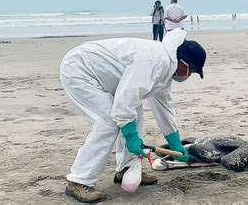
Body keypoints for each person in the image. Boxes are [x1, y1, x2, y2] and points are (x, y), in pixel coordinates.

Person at [60, 28, 206, 203]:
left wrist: (176, 146)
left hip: (103, 77)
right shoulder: (155, 61)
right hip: (81, 70)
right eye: (191, 72)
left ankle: (127, 169)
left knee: (134, 112)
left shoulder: (166, 68)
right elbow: (125, 100)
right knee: (110, 122)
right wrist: (130, 136)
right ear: (184, 64)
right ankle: (78, 181)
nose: (188, 76)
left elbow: (163, 107)